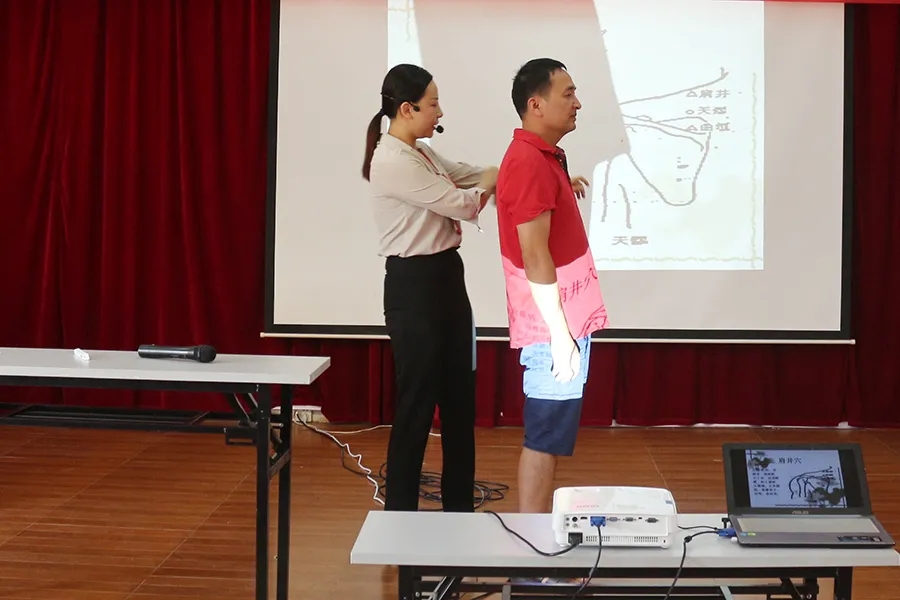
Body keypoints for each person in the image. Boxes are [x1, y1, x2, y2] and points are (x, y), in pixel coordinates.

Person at [361, 63, 499, 513]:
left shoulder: (421, 152)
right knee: (418, 403)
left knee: (459, 401)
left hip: (446, 278)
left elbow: (473, 173)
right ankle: (400, 514)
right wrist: (490, 183)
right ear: (407, 108)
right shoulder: (391, 161)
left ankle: (459, 508)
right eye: (433, 103)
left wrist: (543, 179)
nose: (440, 111)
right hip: (413, 288)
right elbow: (463, 203)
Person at [495, 58, 610, 515]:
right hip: (551, 327)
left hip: (562, 322)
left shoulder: (544, 158)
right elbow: (534, 254)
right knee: (544, 435)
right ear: (536, 104)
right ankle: (533, 543)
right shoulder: (529, 162)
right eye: (568, 94)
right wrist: (561, 336)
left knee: (551, 432)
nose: (577, 103)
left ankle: (537, 537)